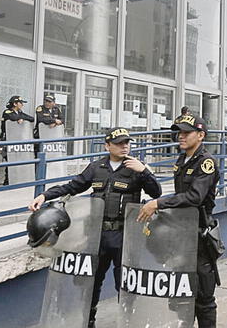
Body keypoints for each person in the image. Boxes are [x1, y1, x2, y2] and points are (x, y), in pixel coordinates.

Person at [28, 127, 162, 328]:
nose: (124, 146)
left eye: (127, 142)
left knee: (125, 283)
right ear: (107, 145)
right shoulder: (96, 167)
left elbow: (156, 192)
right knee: (90, 282)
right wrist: (45, 195)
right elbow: (73, 187)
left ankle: (128, 321)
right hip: (97, 235)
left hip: (123, 234)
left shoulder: (136, 167)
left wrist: (144, 171)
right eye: (119, 143)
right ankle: (88, 321)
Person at [138, 114, 220, 328]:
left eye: (186, 132)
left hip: (200, 236)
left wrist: (158, 203)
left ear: (201, 135)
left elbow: (194, 197)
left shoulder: (206, 162)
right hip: (181, 235)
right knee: (181, 295)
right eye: (179, 132)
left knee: (203, 298)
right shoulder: (182, 159)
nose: (180, 136)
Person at [0, 95, 35, 185]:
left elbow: (31, 118)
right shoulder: (7, 112)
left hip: (18, 140)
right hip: (8, 140)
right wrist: (19, 118)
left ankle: (17, 180)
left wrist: (22, 118)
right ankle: (7, 181)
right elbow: (12, 118)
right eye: (21, 103)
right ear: (15, 103)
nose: (22, 105)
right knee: (10, 160)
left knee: (18, 160)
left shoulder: (20, 113)